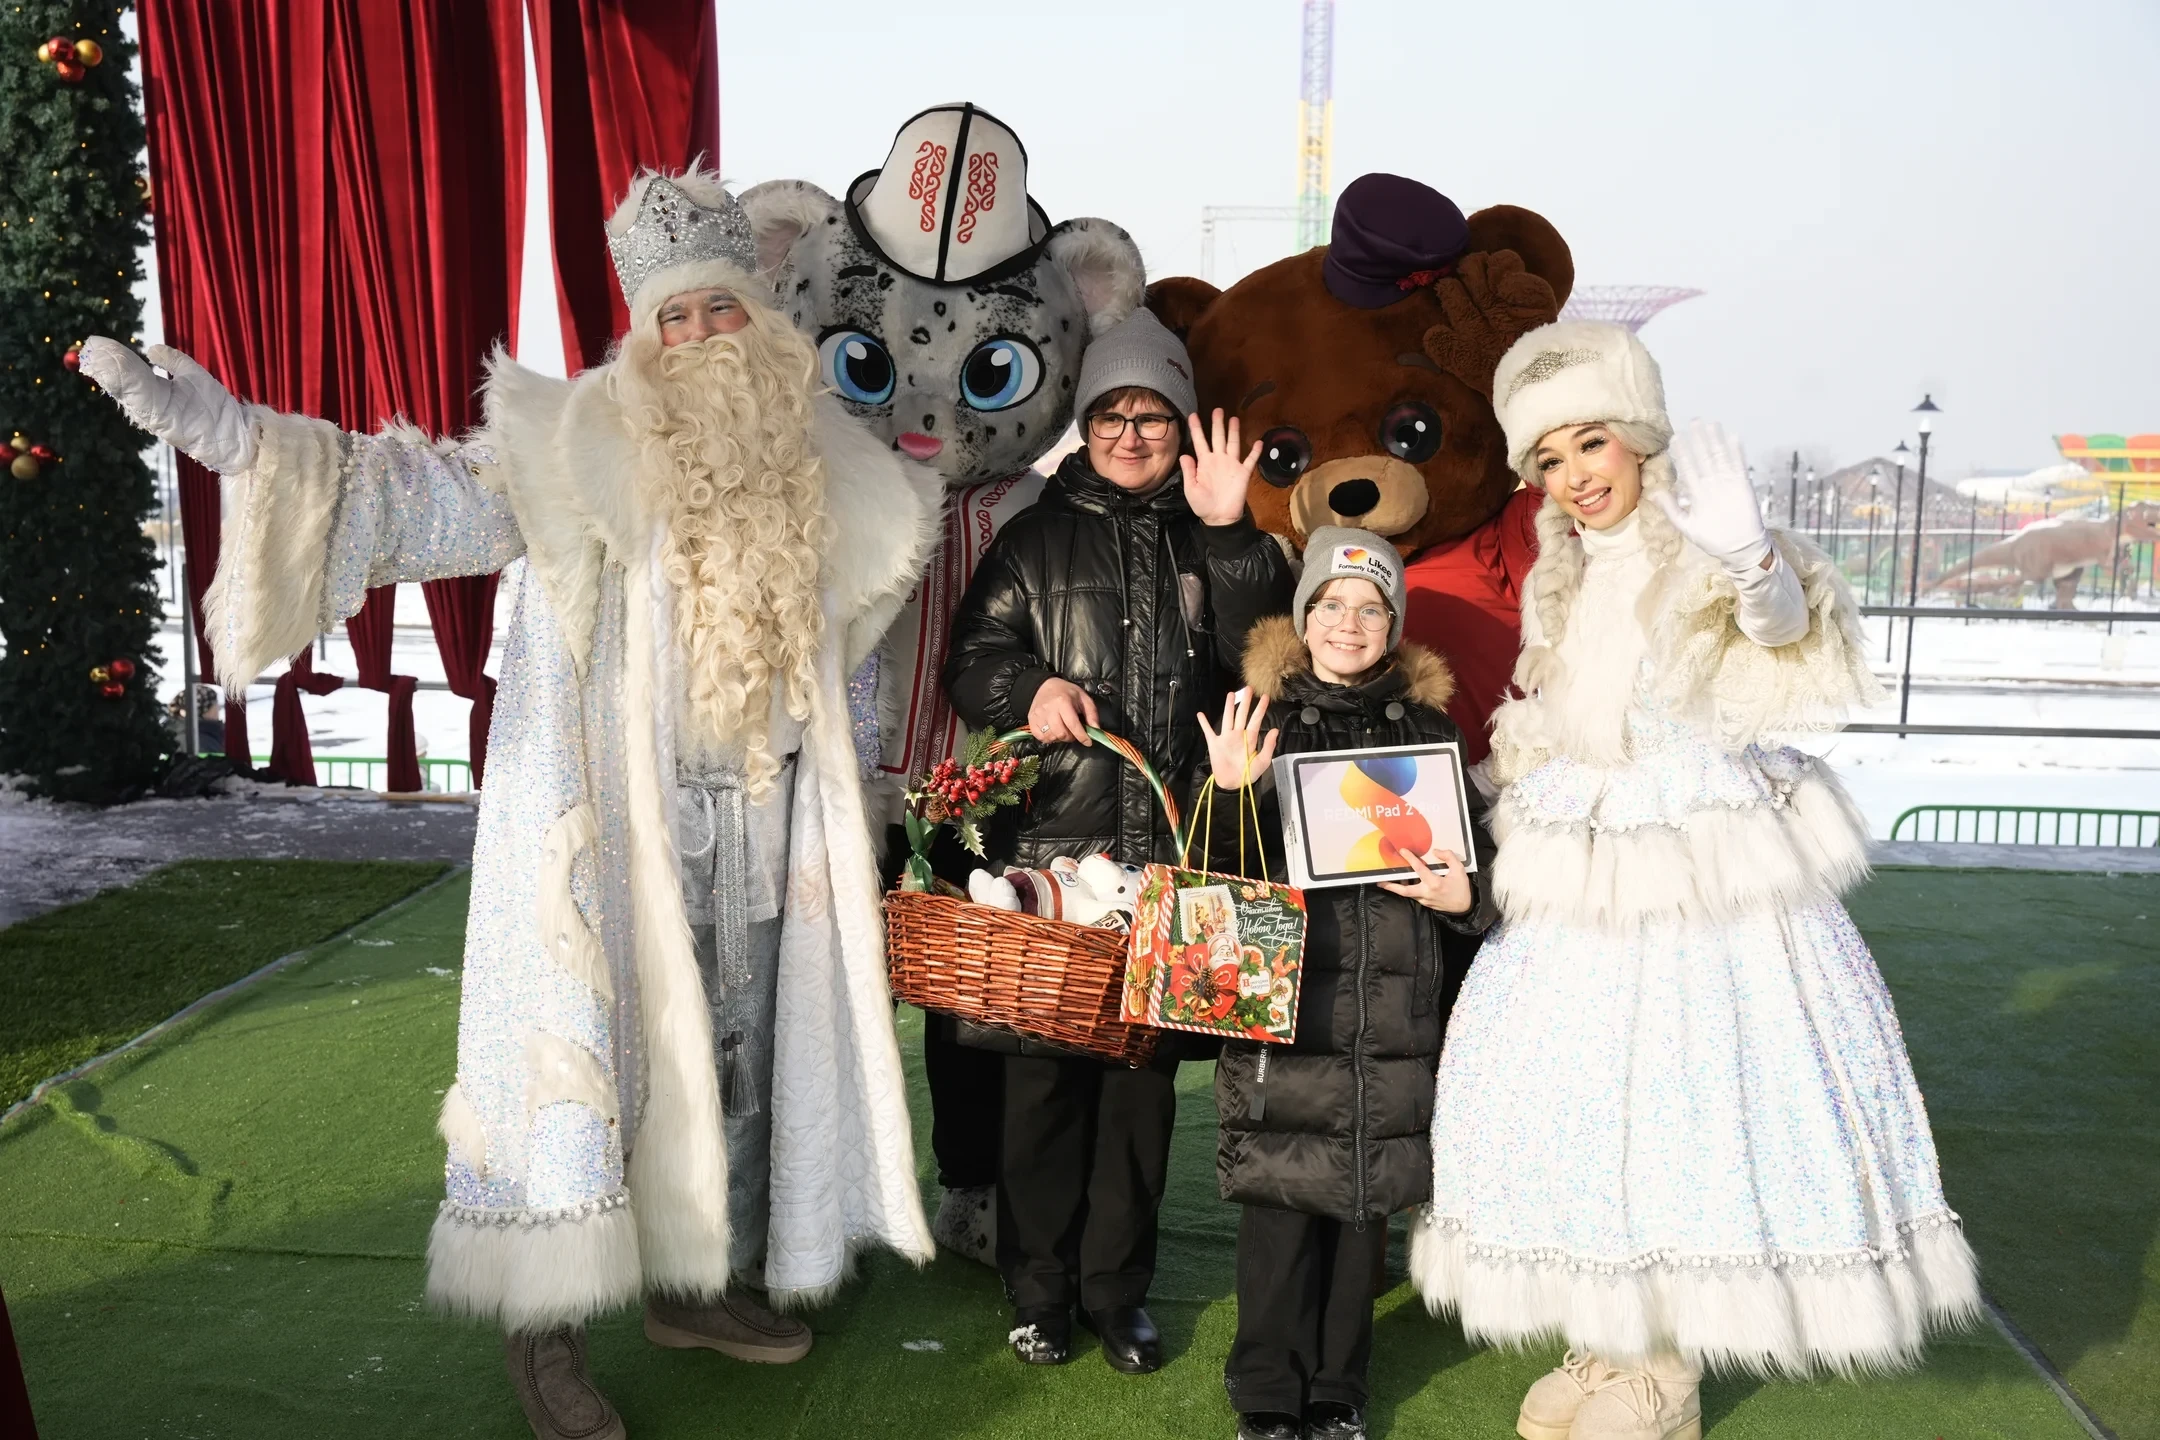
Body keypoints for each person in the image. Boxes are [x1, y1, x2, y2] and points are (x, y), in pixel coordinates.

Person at [81, 170, 943, 1440]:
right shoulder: (566, 450)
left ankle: (696, 1283)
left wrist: (855, 808)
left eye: (720, 308)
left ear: (761, 320)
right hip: (604, 830)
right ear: (641, 335)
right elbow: (408, 495)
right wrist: (228, 434)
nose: (702, 335)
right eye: (675, 316)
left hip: (758, 833)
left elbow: (845, 670)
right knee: (578, 1071)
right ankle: (546, 1332)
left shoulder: (829, 473)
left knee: (738, 1063)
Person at [1411, 322, 1978, 1440]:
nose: (1578, 476)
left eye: (1592, 444)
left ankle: (1664, 1372)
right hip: (1581, 868)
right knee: (1577, 1100)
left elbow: (1781, 635)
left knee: (1687, 1102)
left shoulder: (1704, 544)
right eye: (1552, 459)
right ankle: (1605, 1329)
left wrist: (1752, 563)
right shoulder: (1561, 577)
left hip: (1700, 864)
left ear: (1637, 437)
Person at [942, 309, 1294, 1371]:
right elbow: (972, 658)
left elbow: (1271, 662)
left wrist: (1229, 535)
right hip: (1055, 857)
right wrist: (1027, 686)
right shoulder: (1034, 537)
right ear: (1085, 424)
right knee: (1042, 1088)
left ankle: (1115, 1294)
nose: (1131, 436)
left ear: (1181, 424)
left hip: (1175, 854)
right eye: (1112, 416)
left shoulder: (1215, 535)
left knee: (1140, 1092)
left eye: (1152, 416)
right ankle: (1038, 1290)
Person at [1194, 529, 1498, 1440]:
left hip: (1390, 1011)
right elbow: (1215, 881)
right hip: (1288, 1006)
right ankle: (1265, 1389)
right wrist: (1232, 791)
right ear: (1304, 616)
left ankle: (1338, 1387)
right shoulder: (1260, 718)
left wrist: (1465, 897)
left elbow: (1474, 862)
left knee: (1363, 1204)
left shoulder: (1430, 732)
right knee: (1280, 1202)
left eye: (1371, 609)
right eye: (1331, 604)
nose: (1349, 624)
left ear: (1394, 626)